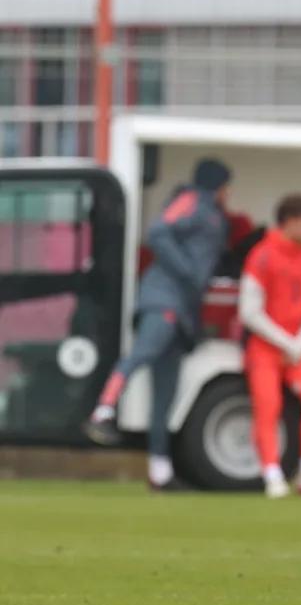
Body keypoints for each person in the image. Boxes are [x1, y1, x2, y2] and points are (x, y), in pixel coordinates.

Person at [83, 158, 232, 491]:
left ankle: (160, 471)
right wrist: (187, 271)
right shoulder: (190, 199)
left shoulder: (213, 214)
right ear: (218, 184)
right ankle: (103, 410)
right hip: (163, 300)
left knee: (165, 396)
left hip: (184, 314)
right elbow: (159, 231)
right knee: (143, 353)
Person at [238, 195, 301, 500]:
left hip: (298, 348)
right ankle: (272, 475)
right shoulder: (262, 255)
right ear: (289, 221)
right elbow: (249, 311)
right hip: (265, 347)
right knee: (268, 405)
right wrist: (287, 342)